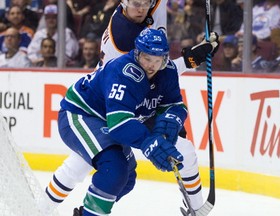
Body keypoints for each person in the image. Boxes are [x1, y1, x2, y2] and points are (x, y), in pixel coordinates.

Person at [40, 28, 218, 216]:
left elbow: (174, 105)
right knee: (113, 170)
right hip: (81, 114)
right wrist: (149, 142)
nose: (151, 66)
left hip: (108, 121)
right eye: (147, 58)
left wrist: (169, 123)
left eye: (157, 60)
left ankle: (42, 208)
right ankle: (44, 209)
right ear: (137, 53)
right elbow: (119, 124)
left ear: (165, 58)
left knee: (126, 179)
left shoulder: (168, 71)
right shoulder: (123, 73)